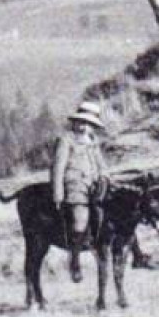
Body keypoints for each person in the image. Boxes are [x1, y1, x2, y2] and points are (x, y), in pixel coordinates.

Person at [51, 100, 109, 283]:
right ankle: (74, 261)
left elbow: (101, 164)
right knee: (80, 220)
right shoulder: (66, 140)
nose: (84, 127)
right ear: (75, 123)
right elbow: (58, 168)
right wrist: (58, 193)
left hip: (94, 185)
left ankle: (134, 254)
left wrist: (105, 177)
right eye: (81, 122)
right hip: (75, 185)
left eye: (89, 124)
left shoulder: (93, 142)